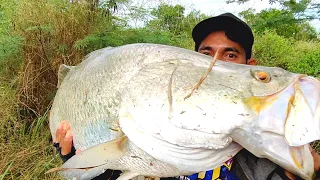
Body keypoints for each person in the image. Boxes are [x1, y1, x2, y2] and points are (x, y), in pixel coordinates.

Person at [54, 13, 320, 180]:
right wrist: (71, 158)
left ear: (248, 64)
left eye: (230, 54)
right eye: (205, 54)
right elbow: (111, 169)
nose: (215, 62)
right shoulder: (157, 113)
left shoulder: (265, 148)